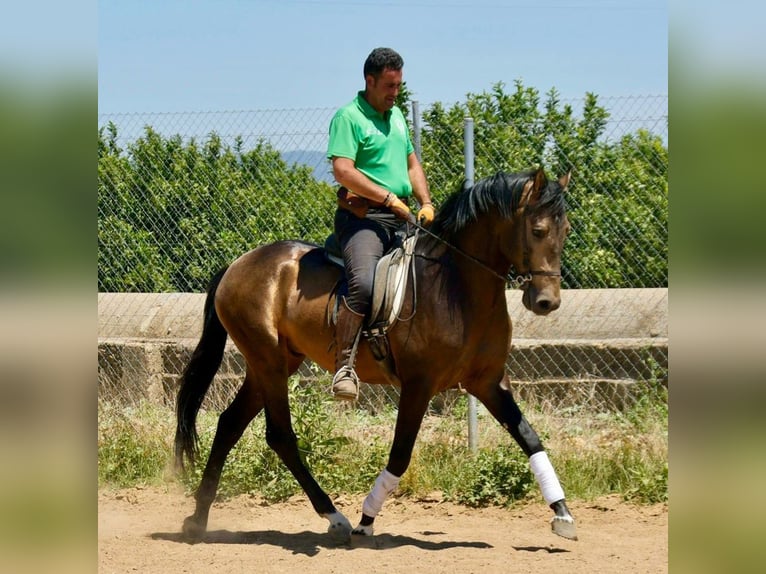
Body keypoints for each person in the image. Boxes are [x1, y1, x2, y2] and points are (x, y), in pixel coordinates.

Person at [326, 47, 434, 401]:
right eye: (389, 85)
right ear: (369, 81)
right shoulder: (349, 117)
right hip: (364, 222)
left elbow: (412, 165)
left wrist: (426, 202)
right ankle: (344, 367)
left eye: (398, 85)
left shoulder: (398, 116)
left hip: (402, 217)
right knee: (365, 285)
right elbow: (343, 171)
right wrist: (388, 199)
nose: (395, 92)